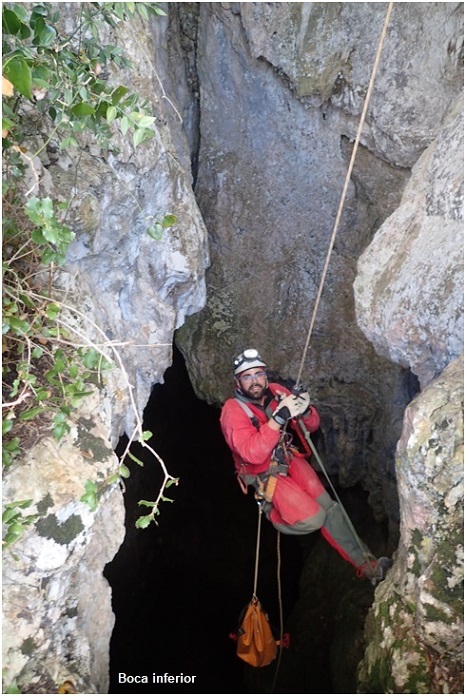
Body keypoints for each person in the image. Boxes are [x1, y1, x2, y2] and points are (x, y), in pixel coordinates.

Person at [220, 348, 392, 583]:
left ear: (265, 375)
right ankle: (273, 513)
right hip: (264, 474)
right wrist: (278, 418)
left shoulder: (277, 392)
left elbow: (311, 426)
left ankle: (369, 566)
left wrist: (306, 410)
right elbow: (253, 453)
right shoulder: (232, 412)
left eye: (258, 374)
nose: (254, 381)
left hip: (288, 459)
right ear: (238, 382)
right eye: (247, 376)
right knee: (313, 519)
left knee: (330, 509)